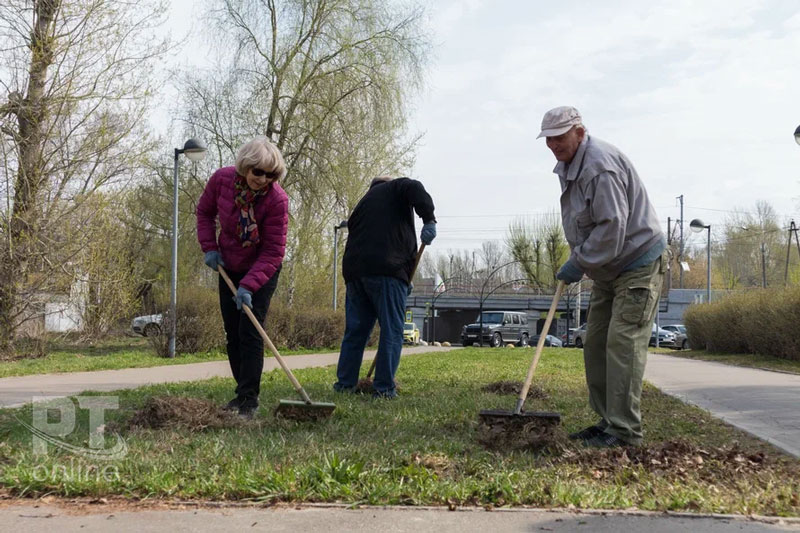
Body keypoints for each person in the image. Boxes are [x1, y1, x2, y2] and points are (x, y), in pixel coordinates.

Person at [538, 106, 666, 447]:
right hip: (608, 268)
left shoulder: (599, 167)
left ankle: (625, 432)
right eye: (548, 139)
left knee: (622, 343)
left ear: (580, 132)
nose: (553, 144)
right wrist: (581, 256)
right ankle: (608, 421)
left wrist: (579, 262)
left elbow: (612, 228)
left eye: (560, 137)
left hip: (637, 262)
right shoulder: (569, 166)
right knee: (594, 343)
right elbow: (590, 224)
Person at [196, 136, 289, 418]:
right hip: (228, 265)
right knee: (232, 332)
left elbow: (274, 251)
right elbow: (204, 213)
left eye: (270, 175)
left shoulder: (277, 201)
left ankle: (249, 399)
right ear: (245, 167)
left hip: (261, 269)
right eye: (257, 172)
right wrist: (210, 248)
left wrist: (249, 285)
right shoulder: (222, 180)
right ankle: (241, 392)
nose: (262, 179)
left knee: (250, 331)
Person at [334, 177, 437, 399]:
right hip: (387, 271)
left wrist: (404, 279)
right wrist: (429, 219)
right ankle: (383, 388)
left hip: (355, 274)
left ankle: (344, 385)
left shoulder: (362, 205)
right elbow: (415, 186)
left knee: (356, 332)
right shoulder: (395, 187)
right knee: (392, 330)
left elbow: (375, 236)